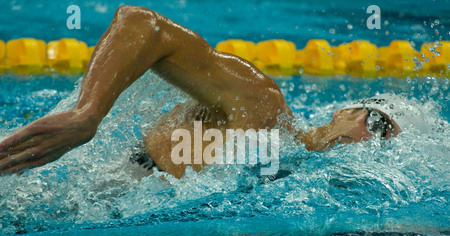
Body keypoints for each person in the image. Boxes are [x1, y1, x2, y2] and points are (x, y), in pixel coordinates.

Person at [0, 6, 426, 179]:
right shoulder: (262, 103)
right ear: (343, 111)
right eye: (375, 123)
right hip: (85, 181)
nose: (372, 142)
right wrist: (87, 114)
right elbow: (142, 23)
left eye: (386, 142)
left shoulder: (296, 178)